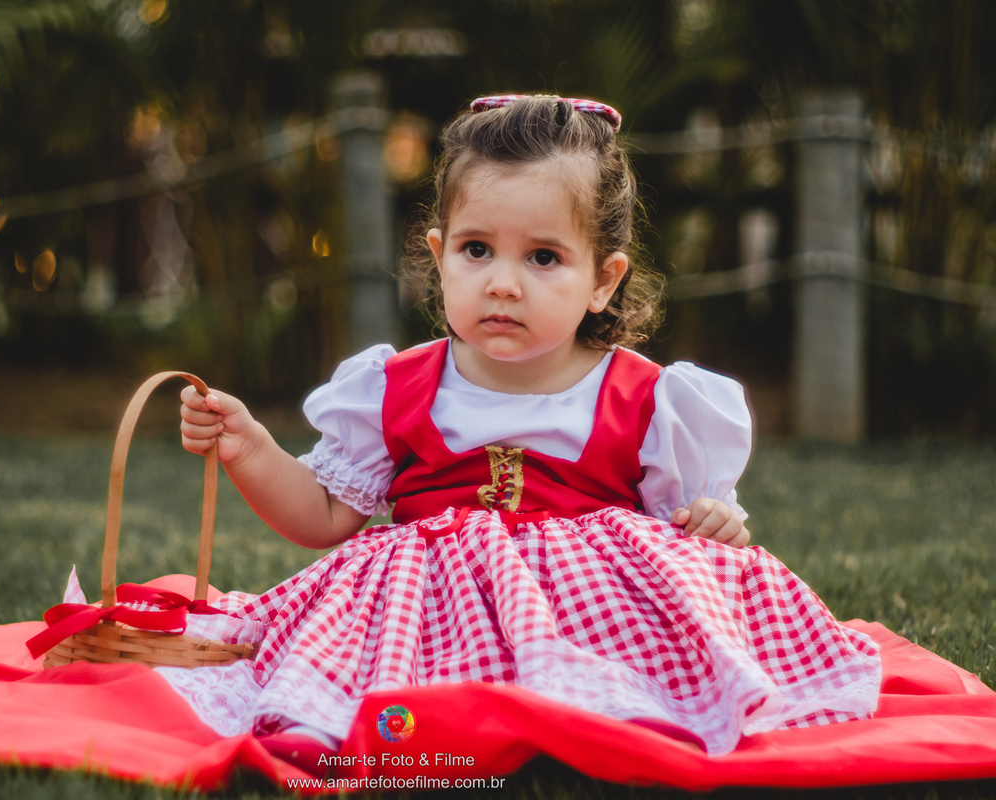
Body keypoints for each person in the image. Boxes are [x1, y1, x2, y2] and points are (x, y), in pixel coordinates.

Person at [166, 94, 881, 765]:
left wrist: (713, 522)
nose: (503, 283)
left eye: (543, 257)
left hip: (587, 622)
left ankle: (601, 712)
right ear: (440, 254)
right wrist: (250, 448)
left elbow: (686, 539)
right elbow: (323, 516)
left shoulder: (650, 401)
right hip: (427, 620)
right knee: (372, 698)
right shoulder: (394, 388)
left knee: (652, 682)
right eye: (477, 250)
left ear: (603, 280)